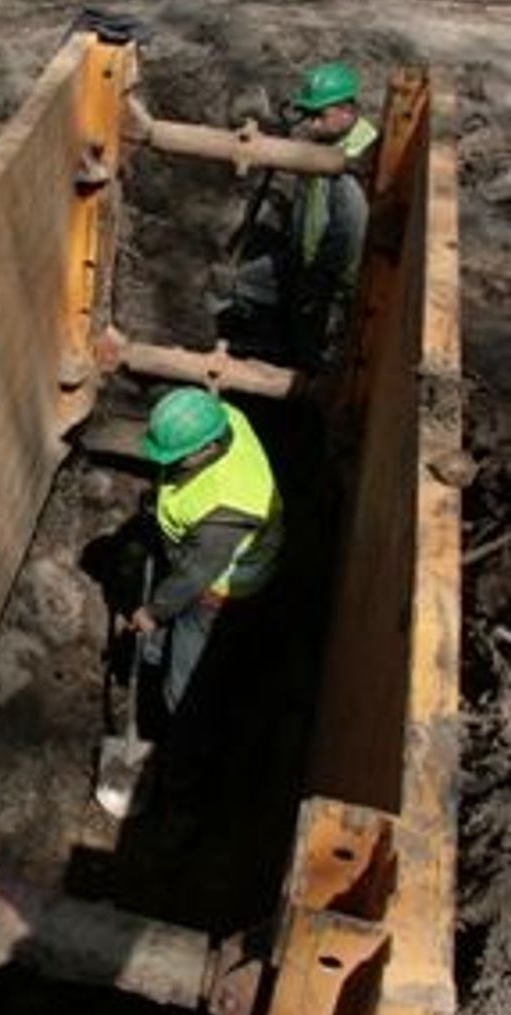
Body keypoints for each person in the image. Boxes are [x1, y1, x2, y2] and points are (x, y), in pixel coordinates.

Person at [127, 386, 283, 745]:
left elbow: (197, 574)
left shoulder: (229, 505)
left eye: (177, 458)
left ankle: (179, 747)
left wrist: (153, 611)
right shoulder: (221, 416)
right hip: (192, 555)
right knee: (168, 615)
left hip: (218, 587)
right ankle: (155, 650)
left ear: (209, 448)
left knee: (185, 678)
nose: (166, 464)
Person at [216, 61, 379, 373]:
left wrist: (316, 285)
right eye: (308, 115)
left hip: (328, 282)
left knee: (311, 346)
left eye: (319, 115)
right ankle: (259, 339)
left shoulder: (354, 166)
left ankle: (302, 381)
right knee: (234, 284)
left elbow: (349, 240)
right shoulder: (328, 143)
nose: (312, 125)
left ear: (346, 110)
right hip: (300, 258)